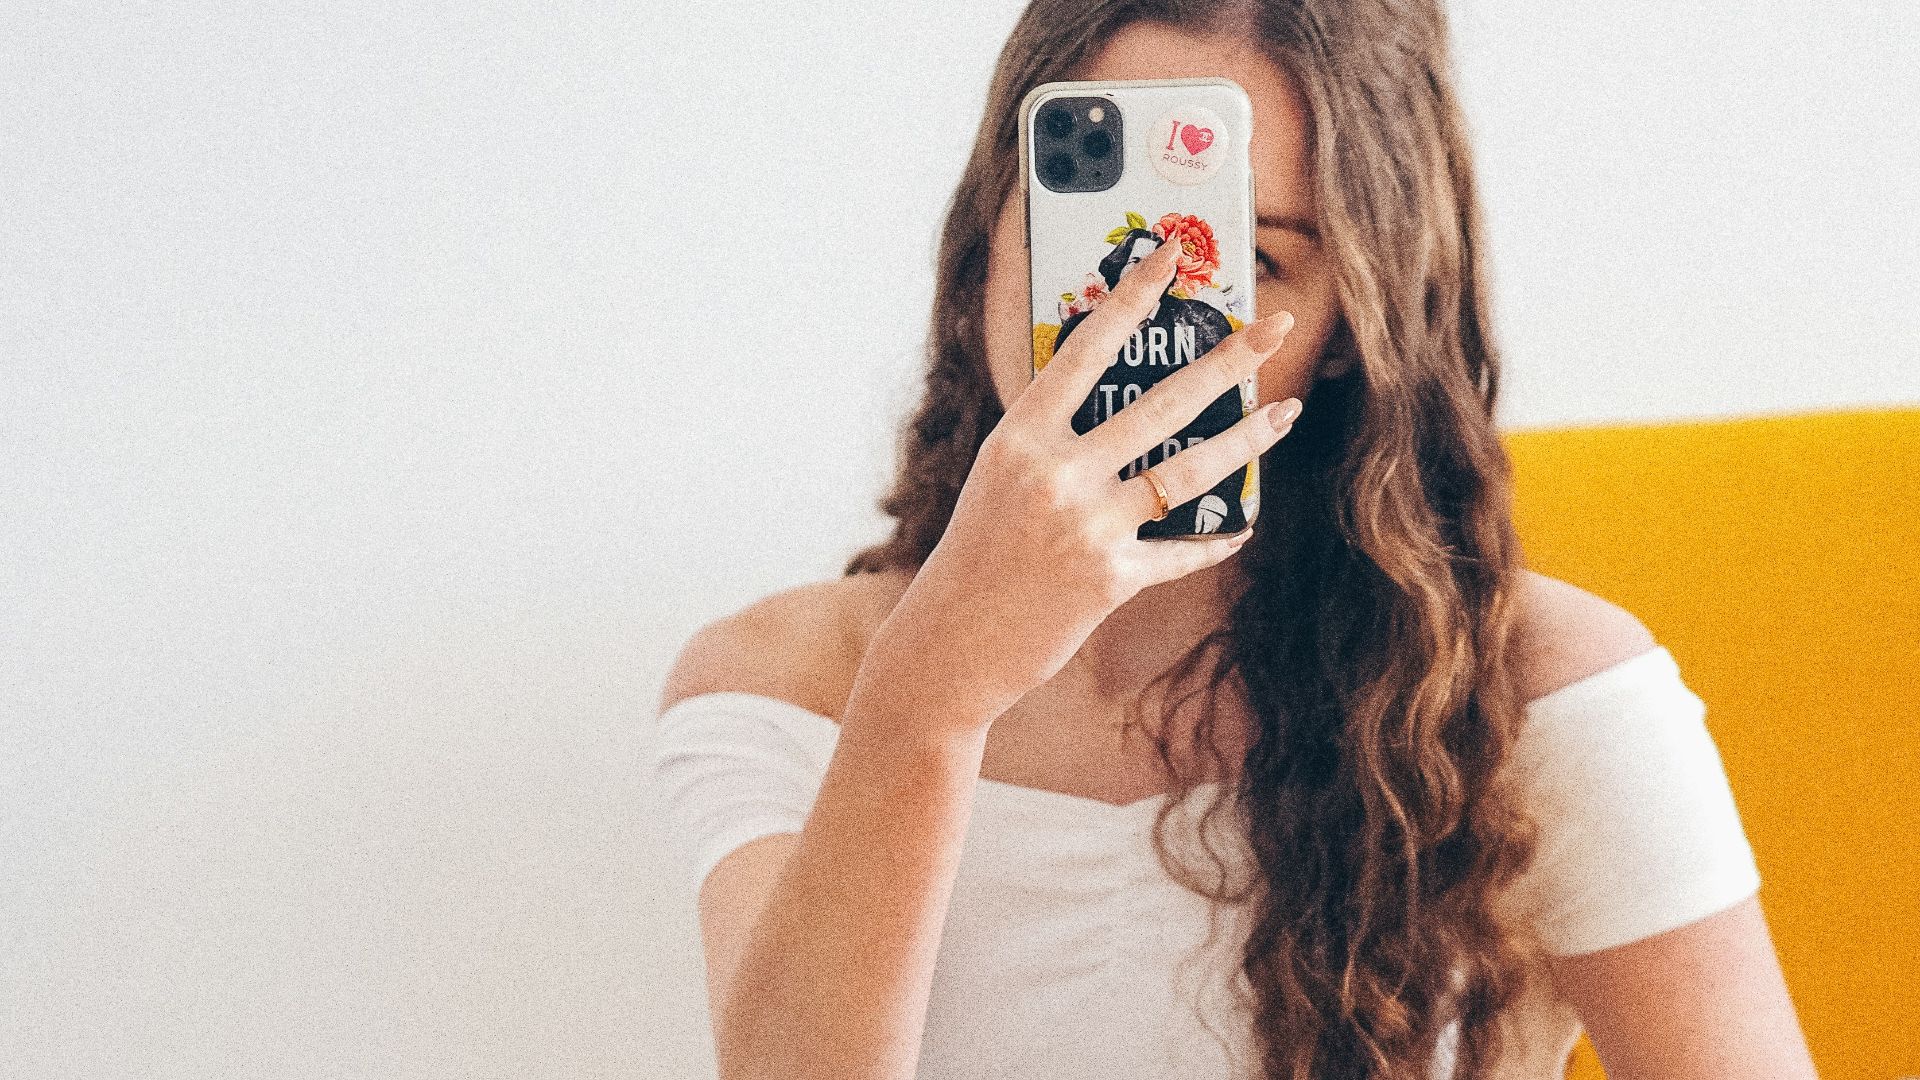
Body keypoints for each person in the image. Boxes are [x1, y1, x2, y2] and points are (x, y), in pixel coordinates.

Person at [649, 2, 1820, 1078]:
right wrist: (928, 693)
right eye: (1094, 237)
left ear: (1355, 320)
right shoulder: (781, 682)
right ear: (985, 243)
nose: (1135, 312)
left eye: (1249, 258)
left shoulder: (1534, 691)